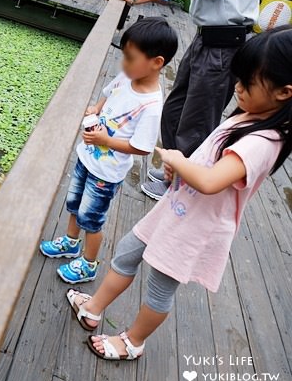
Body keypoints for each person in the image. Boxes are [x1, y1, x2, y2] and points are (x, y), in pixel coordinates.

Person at [65, 27, 292, 361]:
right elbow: (209, 162)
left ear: (284, 92)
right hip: (177, 206)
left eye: (247, 84)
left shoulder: (264, 141)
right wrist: (181, 172)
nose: (237, 89)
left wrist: (176, 159)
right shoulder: (248, 115)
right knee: (127, 252)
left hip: (195, 228)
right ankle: (95, 307)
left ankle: (133, 341)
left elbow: (212, 181)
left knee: (159, 287)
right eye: (238, 80)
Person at [107, 0, 263, 200]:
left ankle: (179, 185)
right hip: (204, 38)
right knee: (174, 110)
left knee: (197, 121)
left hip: (225, 45)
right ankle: (175, 170)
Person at [39, 17, 178, 284]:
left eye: (130, 58)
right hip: (87, 158)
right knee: (74, 205)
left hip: (106, 173)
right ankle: (70, 242)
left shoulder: (150, 105)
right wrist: (97, 108)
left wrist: (105, 141)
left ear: (156, 62)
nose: (123, 64)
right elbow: (107, 92)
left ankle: (89, 264)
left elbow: (141, 147)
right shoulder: (127, 76)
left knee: (91, 219)